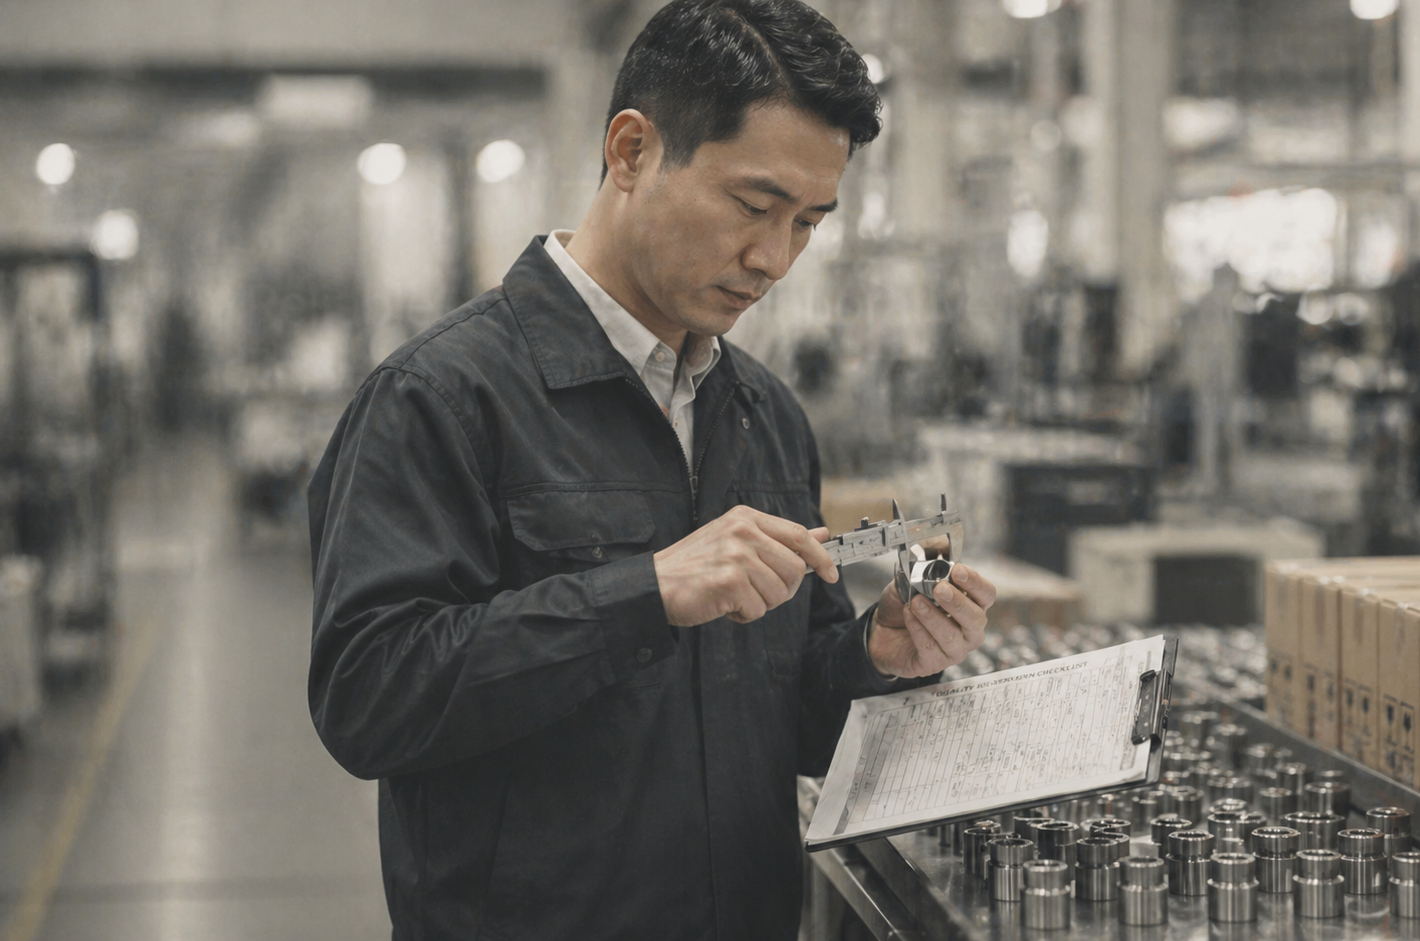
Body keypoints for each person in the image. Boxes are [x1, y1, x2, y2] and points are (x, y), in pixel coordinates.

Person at [306, 2, 996, 938]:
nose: (773, 258)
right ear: (631, 152)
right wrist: (645, 593)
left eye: (807, 222)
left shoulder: (765, 416)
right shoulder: (440, 399)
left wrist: (878, 656)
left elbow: (793, 717)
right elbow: (368, 696)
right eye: (752, 206)